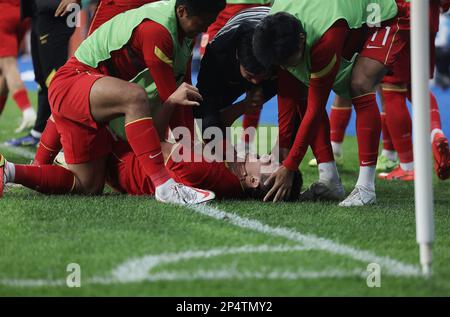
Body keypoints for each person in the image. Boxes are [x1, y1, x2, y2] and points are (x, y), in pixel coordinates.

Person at [1, 0, 227, 205]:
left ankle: (9, 171)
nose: (205, 29)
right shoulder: (157, 30)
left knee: (88, 186)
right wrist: (186, 145)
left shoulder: (179, 25)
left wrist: (187, 142)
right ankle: (165, 187)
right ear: (182, 11)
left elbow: (174, 96)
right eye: (202, 23)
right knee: (134, 97)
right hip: (74, 80)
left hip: (79, 90)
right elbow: (170, 97)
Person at [252, 0, 403, 206]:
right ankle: (329, 180)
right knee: (302, 89)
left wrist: (291, 165)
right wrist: (282, 152)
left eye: (288, 62)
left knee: (360, 83)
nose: (286, 67)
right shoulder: (276, 27)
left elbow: (314, 110)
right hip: (346, 15)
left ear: (302, 39)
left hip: (386, 14)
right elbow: (290, 96)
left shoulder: (326, 36)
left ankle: (366, 188)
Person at [0, 0, 36, 133]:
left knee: (8, 65)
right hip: (23, 13)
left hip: (4, 12)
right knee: (5, 70)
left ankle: (27, 110)